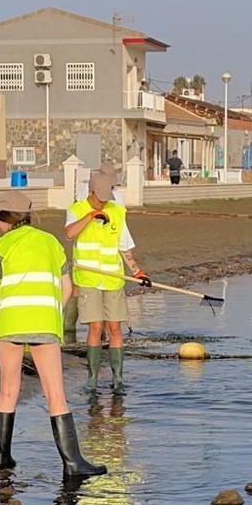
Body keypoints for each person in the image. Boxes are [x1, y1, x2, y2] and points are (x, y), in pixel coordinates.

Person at [0, 193, 105, 482]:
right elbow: (68, 289)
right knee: (55, 394)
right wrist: (50, 311)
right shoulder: (51, 243)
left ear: (5, 218)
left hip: (9, 324)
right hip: (44, 325)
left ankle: (3, 457)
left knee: (8, 389)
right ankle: (72, 463)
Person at [65, 166, 151, 395]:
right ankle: (92, 377)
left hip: (113, 280)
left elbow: (124, 247)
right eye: (99, 200)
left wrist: (137, 272)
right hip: (88, 280)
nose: (102, 204)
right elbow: (70, 233)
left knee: (114, 327)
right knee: (95, 327)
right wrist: (91, 216)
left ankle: (118, 377)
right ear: (91, 192)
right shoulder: (76, 209)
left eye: (105, 200)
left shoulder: (117, 211)